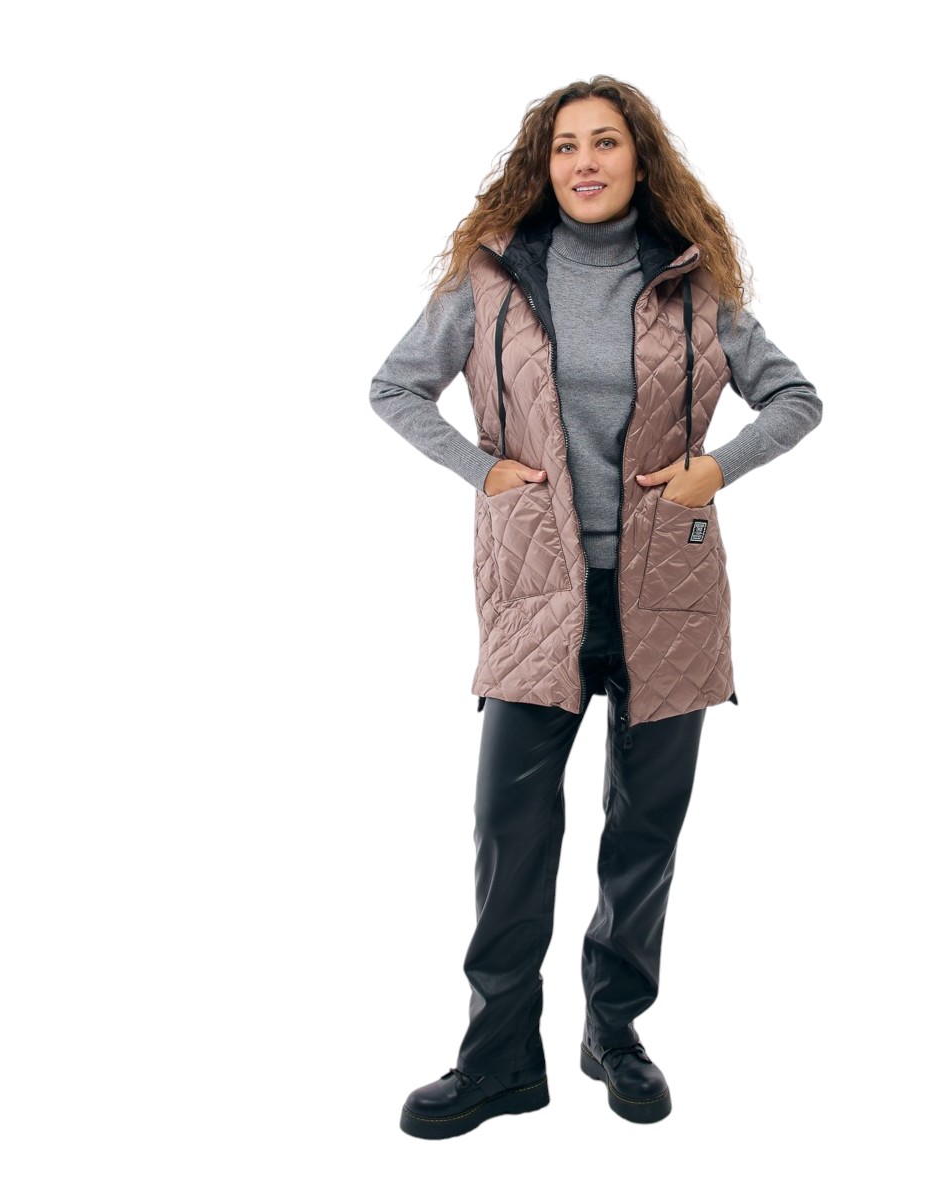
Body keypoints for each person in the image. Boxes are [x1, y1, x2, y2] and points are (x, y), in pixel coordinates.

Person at [370, 75, 823, 1139]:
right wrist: (483, 472)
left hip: (670, 593)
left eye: (606, 142)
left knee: (644, 832)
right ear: (546, 164)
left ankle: (613, 1032)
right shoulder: (490, 282)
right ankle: (498, 1060)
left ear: (637, 158)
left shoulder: (693, 284)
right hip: (537, 593)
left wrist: (717, 469)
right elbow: (394, 387)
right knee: (510, 831)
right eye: (567, 145)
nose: (585, 162)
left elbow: (797, 397)